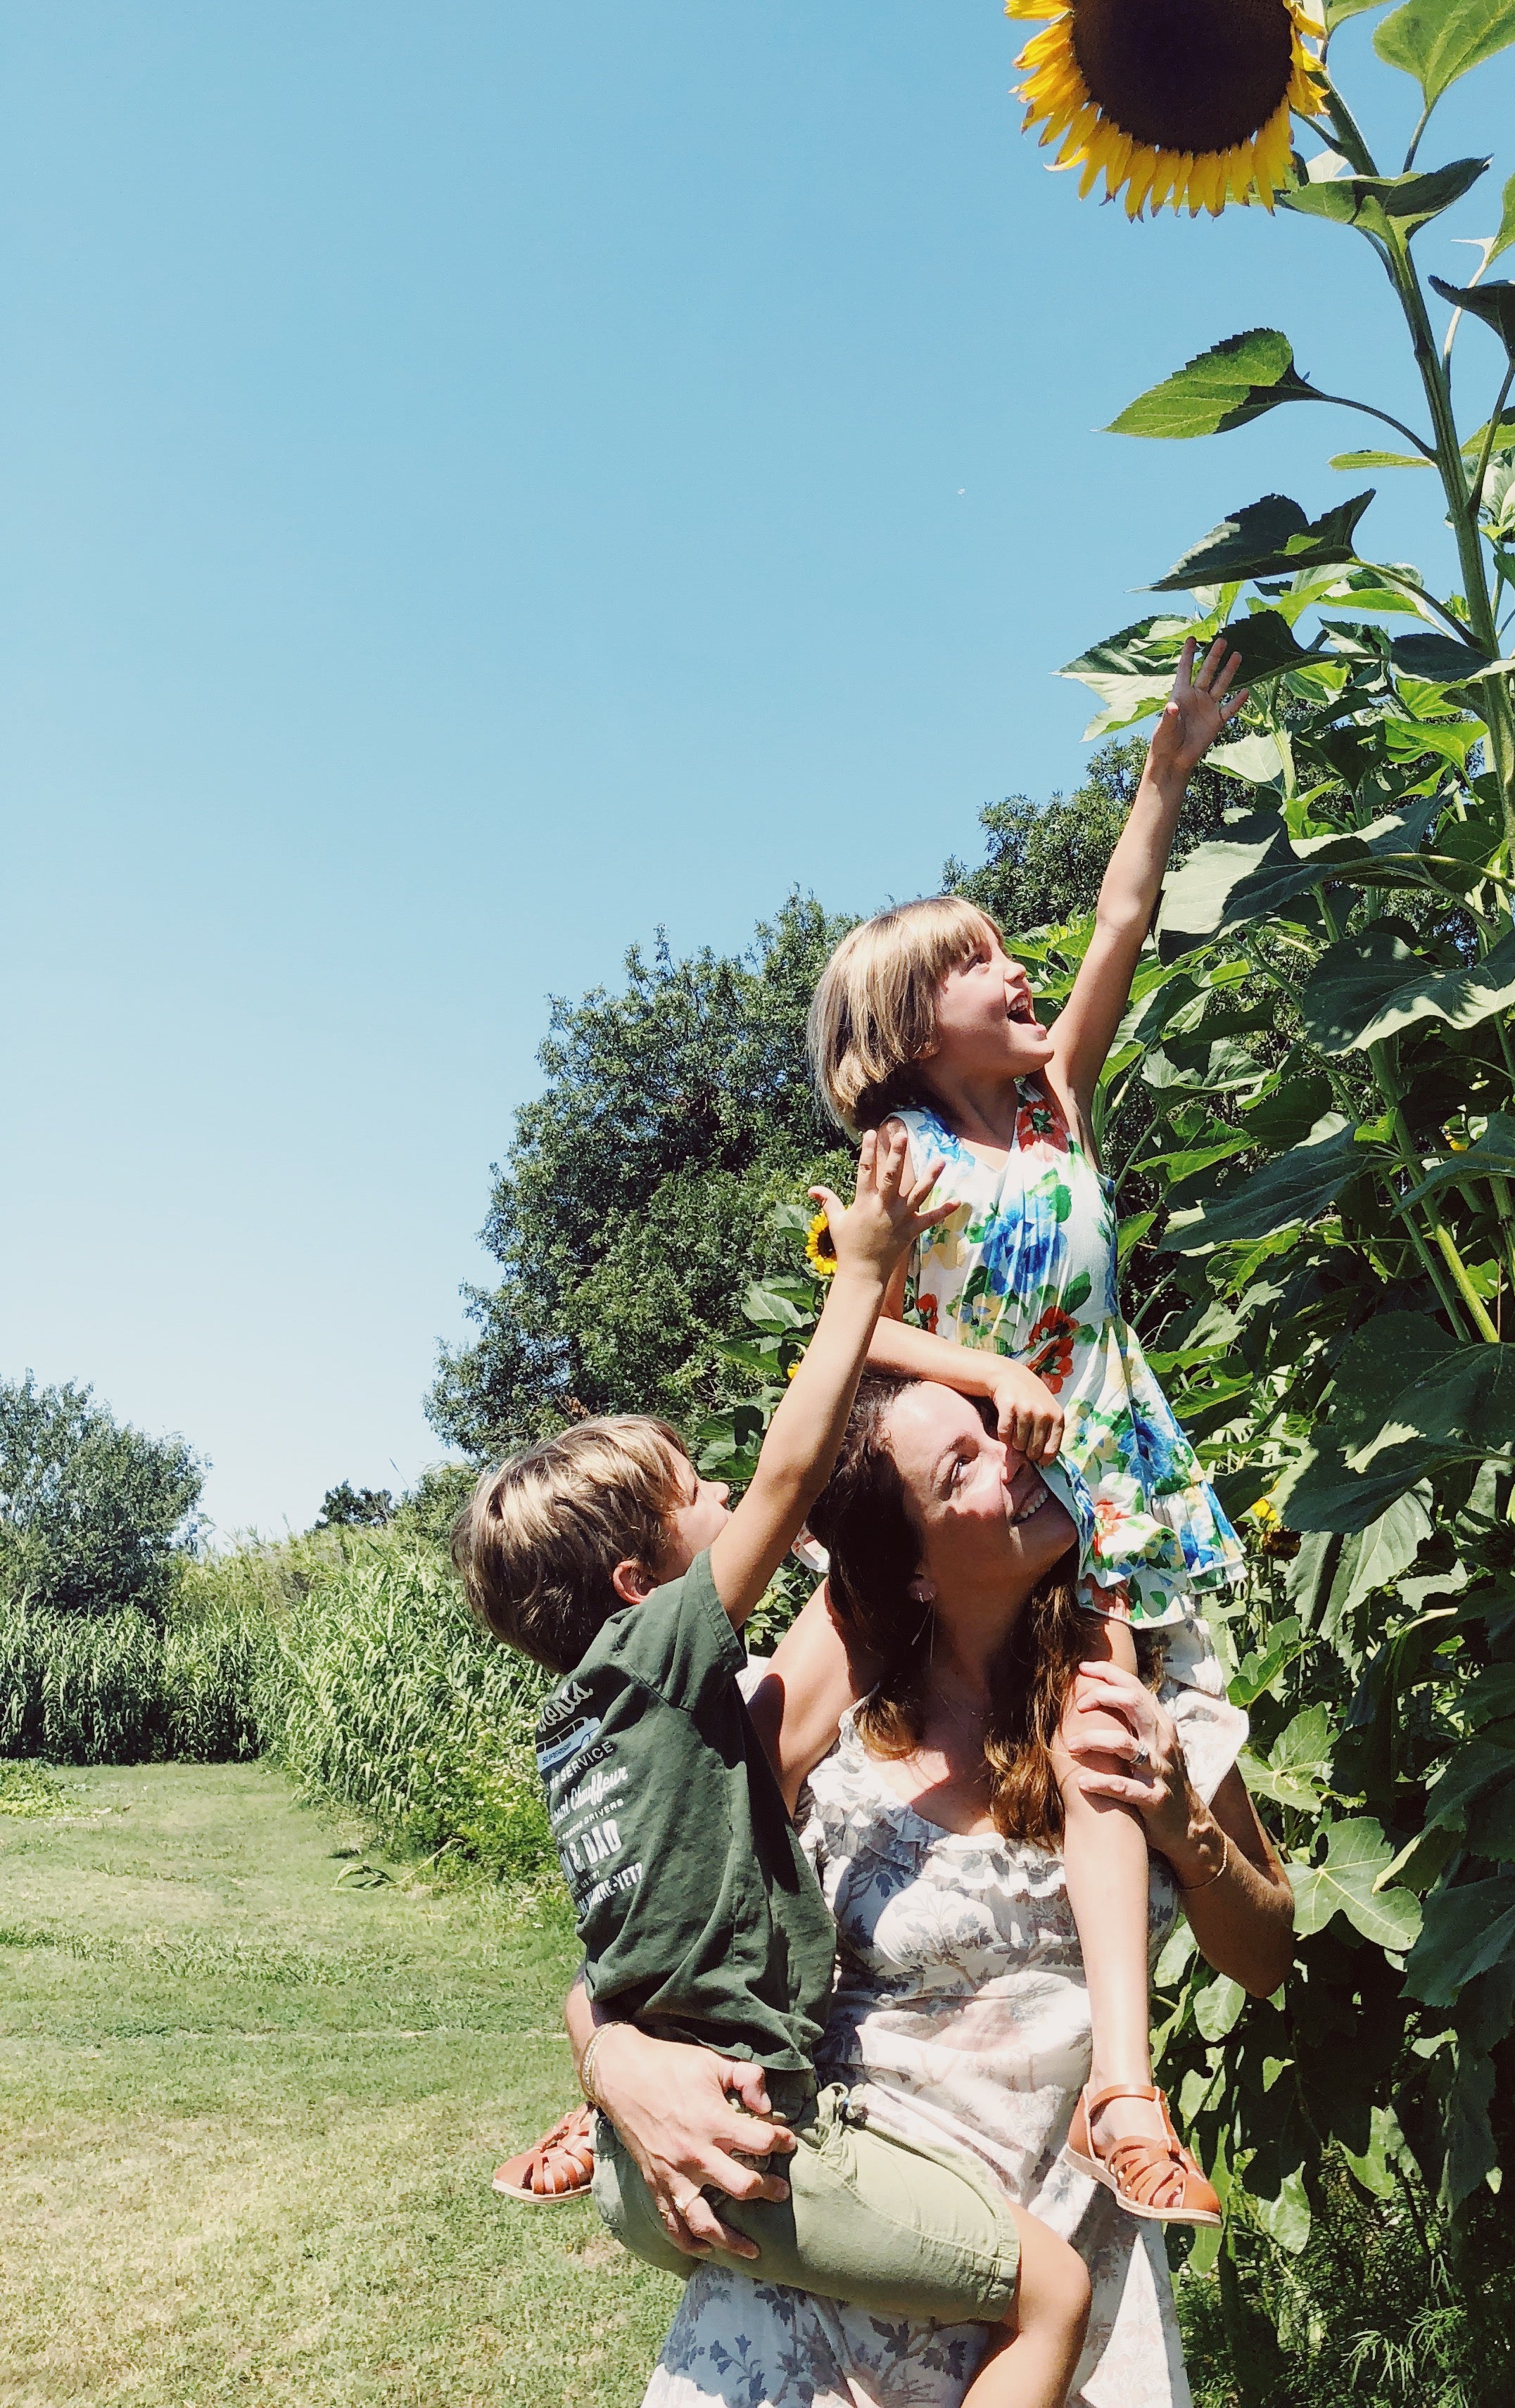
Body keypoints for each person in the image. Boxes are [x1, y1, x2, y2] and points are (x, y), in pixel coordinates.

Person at [452, 1129, 1093, 2408]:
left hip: (661, 2162)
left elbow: (631, 1951)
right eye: (701, 1493)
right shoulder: (656, 1659)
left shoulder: (583, 1736)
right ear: (642, 1590)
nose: (733, 1493)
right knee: (1053, 2293)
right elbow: (798, 1474)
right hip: (751, 2146)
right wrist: (864, 1274)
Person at [580, 1372, 1294, 2407]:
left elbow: (1266, 1957)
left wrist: (1182, 1819)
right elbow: (654, 1911)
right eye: (961, 1465)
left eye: (995, 1433)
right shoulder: (843, 1731)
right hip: (830, 2261)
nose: (1013, 1458)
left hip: (1059, 2266)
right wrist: (613, 2059)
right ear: (910, 1570)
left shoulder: (1156, 1695)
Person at [799, 635, 1246, 2219]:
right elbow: (856, 1330)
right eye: (981, 962)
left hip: (1096, 1475)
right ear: (916, 1026)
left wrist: (1163, 773)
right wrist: (987, 1380)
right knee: (768, 1713)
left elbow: (1125, 914)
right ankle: (641, 2028)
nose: (1020, 971)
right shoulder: (902, 1158)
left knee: (1108, 1746)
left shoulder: (1054, 1111)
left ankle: (1125, 2093)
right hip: (959, 1485)